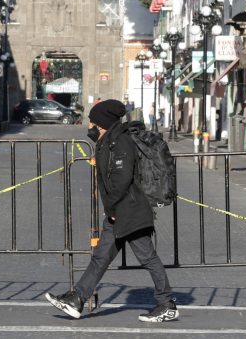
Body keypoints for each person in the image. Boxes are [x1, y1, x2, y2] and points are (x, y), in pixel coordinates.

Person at [45, 99, 178, 323]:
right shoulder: (108, 141)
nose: (88, 125)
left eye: (92, 121)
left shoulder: (120, 142)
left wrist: (114, 207)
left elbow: (122, 177)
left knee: (148, 258)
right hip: (120, 211)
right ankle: (76, 299)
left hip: (130, 211)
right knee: (100, 258)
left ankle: (166, 304)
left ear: (101, 123)